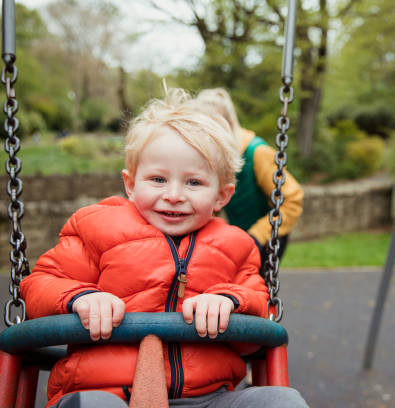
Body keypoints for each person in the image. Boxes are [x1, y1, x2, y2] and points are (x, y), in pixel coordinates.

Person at [19, 88, 308, 408]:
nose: (173, 195)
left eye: (193, 182)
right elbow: (40, 285)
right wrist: (80, 298)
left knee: (280, 400)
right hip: (108, 393)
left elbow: (257, 307)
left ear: (222, 196)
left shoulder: (235, 246)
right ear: (130, 183)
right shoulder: (97, 228)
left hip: (207, 397)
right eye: (158, 179)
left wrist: (231, 301)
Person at [196, 89, 304, 276]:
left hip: (267, 236)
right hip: (241, 236)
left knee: (256, 290)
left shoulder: (257, 152)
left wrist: (257, 235)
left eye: (214, 126)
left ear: (229, 124)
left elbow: (291, 200)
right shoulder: (215, 157)